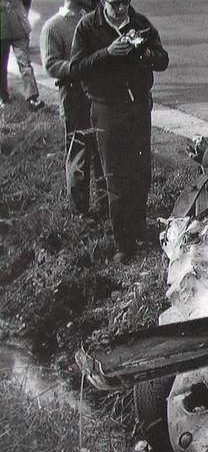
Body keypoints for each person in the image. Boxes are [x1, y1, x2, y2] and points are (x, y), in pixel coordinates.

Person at [70, 0, 169, 263]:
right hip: (106, 107)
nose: (121, 9)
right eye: (115, 4)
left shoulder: (140, 23)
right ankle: (123, 243)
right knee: (115, 176)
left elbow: (163, 60)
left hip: (138, 106)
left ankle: (139, 227)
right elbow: (76, 68)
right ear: (103, 2)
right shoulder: (88, 26)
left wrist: (146, 54)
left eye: (125, 2)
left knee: (141, 172)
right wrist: (108, 53)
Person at [40, 0, 106, 217]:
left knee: (102, 149)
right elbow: (51, 64)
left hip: (96, 92)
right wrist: (79, 68)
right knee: (78, 150)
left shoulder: (92, 21)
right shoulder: (53, 26)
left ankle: (105, 205)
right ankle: (79, 210)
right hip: (73, 94)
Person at [0, 0, 45, 110]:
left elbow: (27, 2)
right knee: (1, 65)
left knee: (25, 64)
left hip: (19, 26)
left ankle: (32, 98)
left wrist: (22, 13)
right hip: (2, 27)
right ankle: (3, 97)